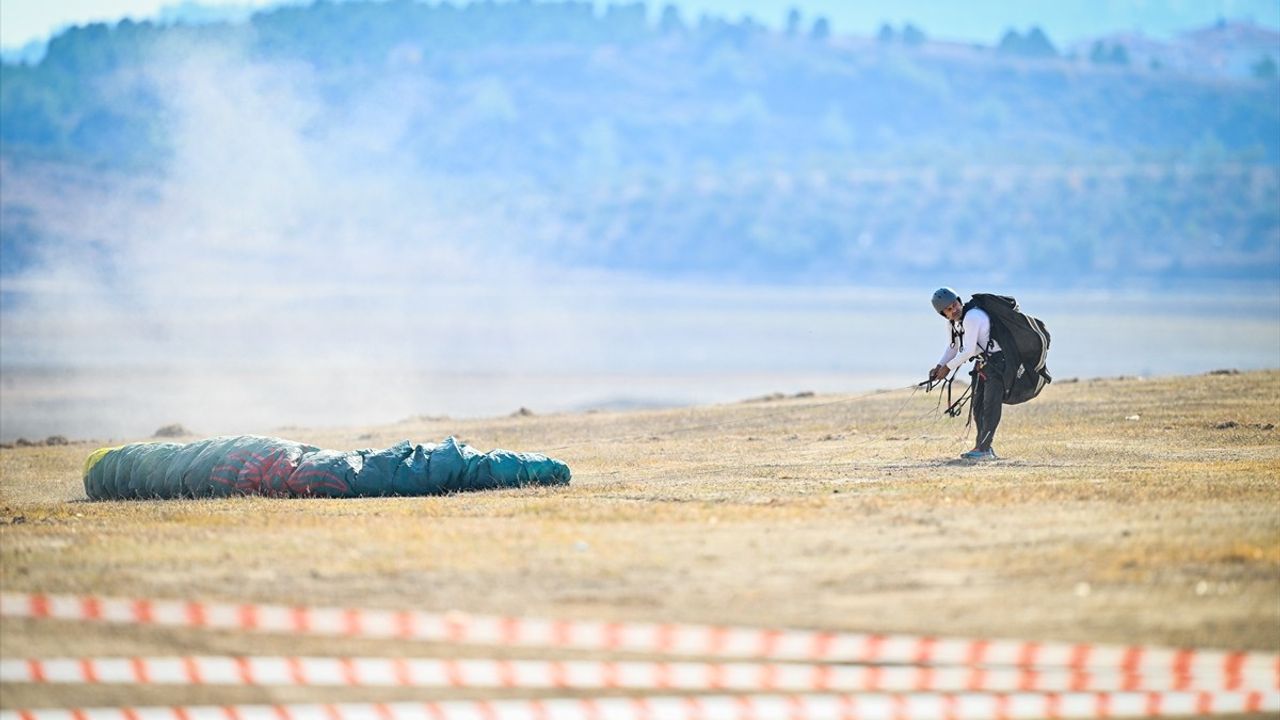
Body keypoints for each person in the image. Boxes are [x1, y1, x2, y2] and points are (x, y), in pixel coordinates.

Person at [928, 287, 1006, 461]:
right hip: (983, 364)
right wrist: (939, 365)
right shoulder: (953, 324)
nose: (953, 310)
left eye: (954, 304)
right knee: (977, 407)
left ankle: (984, 449)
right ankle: (983, 448)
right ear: (944, 314)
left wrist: (947, 368)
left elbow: (968, 350)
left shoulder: (972, 317)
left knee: (990, 407)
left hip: (998, 363)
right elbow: (953, 348)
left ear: (959, 300)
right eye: (948, 309)